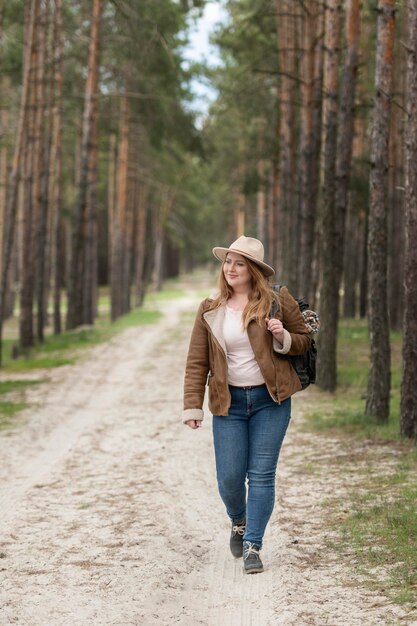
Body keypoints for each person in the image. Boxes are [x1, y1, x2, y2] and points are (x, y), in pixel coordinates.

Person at [182, 236, 311, 574]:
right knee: (228, 477)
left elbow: (303, 341)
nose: (231, 269)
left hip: (271, 401)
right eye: (227, 262)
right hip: (229, 403)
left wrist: (282, 335)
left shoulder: (276, 300)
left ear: (253, 270)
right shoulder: (210, 308)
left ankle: (253, 545)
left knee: (262, 475)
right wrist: (192, 406)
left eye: (239, 263)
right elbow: (197, 361)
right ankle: (238, 521)